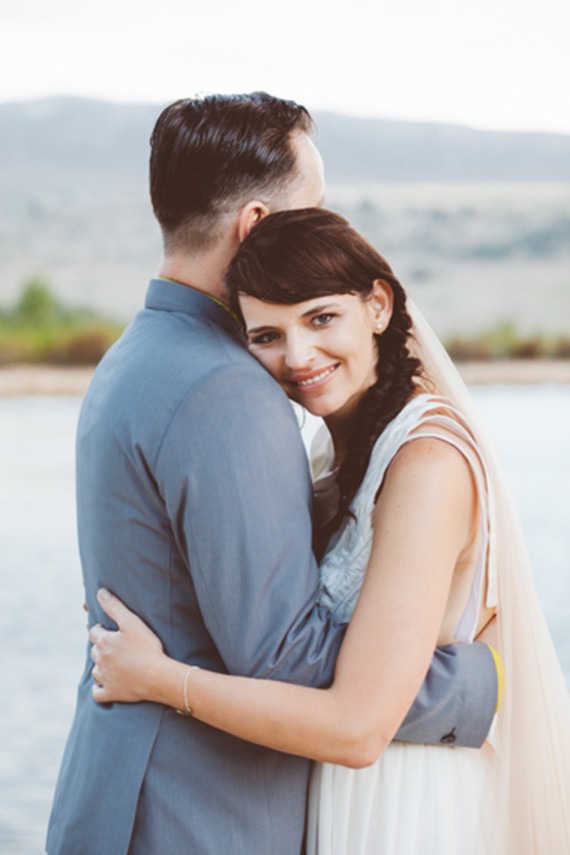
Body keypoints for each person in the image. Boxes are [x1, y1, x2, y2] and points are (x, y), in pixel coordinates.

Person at [46, 96, 499, 855]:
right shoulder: (224, 387)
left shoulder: (134, 357)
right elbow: (283, 657)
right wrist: (473, 685)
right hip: (201, 811)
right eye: (312, 209)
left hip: (128, 787)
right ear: (257, 225)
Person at [89, 208, 570, 855]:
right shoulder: (327, 454)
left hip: (410, 806)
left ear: (376, 305)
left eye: (320, 318)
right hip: (342, 797)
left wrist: (160, 679)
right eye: (267, 335)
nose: (298, 355)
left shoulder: (426, 461)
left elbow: (357, 727)